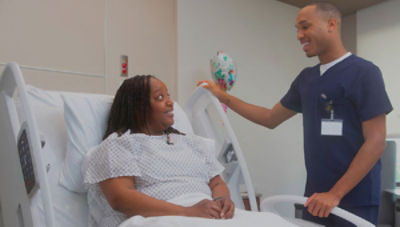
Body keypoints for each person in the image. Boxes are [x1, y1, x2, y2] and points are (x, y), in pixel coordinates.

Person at [198, 2, 392, 226]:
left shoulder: (364, 73)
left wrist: (335, 194)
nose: (299, 35)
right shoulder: (306, 80)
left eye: (305, 26)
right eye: (297, 29)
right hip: (315, 197)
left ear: (331, 24)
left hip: (354, 199)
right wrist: (223, 97)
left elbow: (376, 141)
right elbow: (269, 118)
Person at [83, 75, 235, 227]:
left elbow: (216, 183)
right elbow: (121, 198)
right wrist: (187, 212)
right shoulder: (120, 144)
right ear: (138, 108)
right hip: (161, 218)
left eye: (168, 96)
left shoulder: (191, 142)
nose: (170, 102)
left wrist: (221, 202)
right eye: (160, 97)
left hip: (210, 216)